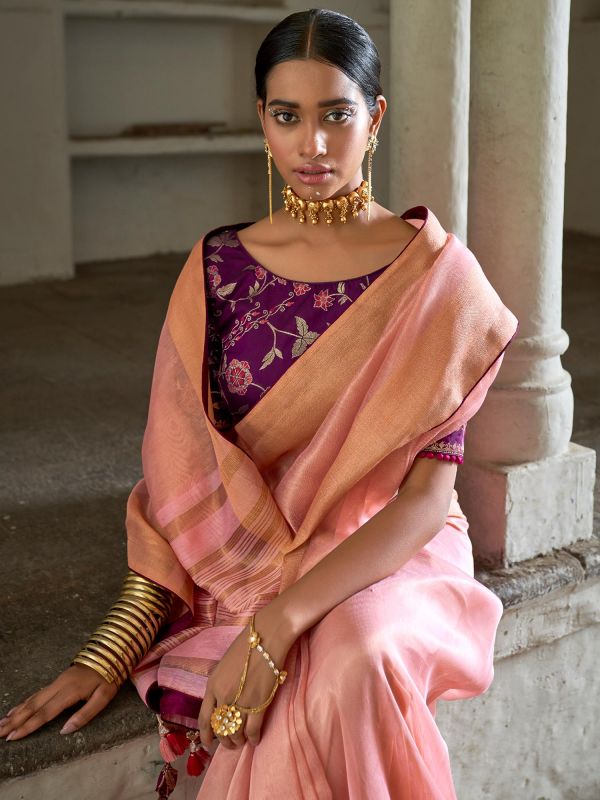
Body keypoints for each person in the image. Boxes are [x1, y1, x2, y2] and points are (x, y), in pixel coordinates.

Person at [0, 8, 519, 799]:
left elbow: (423, 500)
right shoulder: (217, 269)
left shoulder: (439, 281)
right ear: (262, 121)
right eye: (287, 116)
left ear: (375, 118)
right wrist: (111, 646)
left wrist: (274, 628)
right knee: (334, 669)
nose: (312, 144)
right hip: (248, 558)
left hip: (390, 545)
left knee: (359, 656)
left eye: (336, 115)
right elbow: (178, 484)